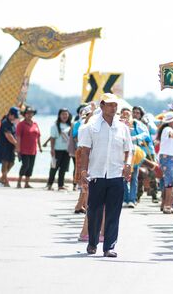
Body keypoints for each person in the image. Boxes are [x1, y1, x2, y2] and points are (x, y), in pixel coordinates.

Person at [78, 93, 133, 258]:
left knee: (113, 212)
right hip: (97, 174)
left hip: (116, 174)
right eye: (109, 105)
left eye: (115, 105)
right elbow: (85, 151)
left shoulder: (122, 127)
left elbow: (129, 149)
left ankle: (109, 246)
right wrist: (82, 171)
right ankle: (93, 242)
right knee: (94, 211)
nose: (113, 108)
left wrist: (128, 164)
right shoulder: (91, 126)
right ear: (101, 105)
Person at [157, 112, 173, 214]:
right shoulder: (168, 129)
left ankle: (164, 204)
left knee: (168, 183)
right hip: (168, 157)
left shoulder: (167, 129)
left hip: (170, 157)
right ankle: (167, 206)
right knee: (170, 183)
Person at [46, 108, 72, 191]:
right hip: (57, 150)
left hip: (67, 150)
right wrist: (52, 149)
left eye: (66, 114)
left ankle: (61, 185)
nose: (65, 116)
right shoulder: (55, 126)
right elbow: (52, 138)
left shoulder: (70, 125)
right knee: (54, 167)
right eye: (63, 114)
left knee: (63, 168)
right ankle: (49, 184)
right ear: (59, 115)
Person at [16, 106, 42, 188]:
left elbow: (38, 136)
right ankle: (19, 181)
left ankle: (26, 183)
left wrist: (40, 147)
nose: (30, 114)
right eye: (28, 113)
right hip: (24, 149)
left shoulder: (35, 124)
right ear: (25, 114)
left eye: (31, 113)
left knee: (31, 166)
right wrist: (18, 148)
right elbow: (18, 137)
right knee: (25, 165)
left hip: (33, 149)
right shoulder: (21, 124)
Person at [0, 107, 20, 187]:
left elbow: (14, 134)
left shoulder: (12, 123)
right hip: (4, 147)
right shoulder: (5, 122)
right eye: (15, 116)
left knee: (12, 162)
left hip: (10, 147)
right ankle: (5, 182)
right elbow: (8, 135)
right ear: (10, 115)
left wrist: (16, 145)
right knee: (5, 163)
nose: (16, 118)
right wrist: (16, 144)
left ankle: (2, 179)